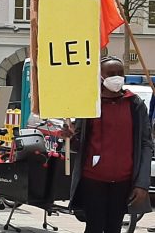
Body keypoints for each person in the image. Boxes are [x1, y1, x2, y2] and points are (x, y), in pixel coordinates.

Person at [64, 57, 153, 233]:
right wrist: (69, 137)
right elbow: (78, 144)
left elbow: (146, 145)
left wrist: (142, 184)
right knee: (94, 227)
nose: (117, 77)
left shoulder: (135, 105)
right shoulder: (89, 105)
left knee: (114, 228)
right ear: (101, 77)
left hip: (123, 182)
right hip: (93, 180)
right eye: (111, 74)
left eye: (120, 73)